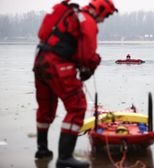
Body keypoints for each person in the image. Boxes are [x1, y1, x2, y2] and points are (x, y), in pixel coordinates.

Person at [33, 0, 118, 167]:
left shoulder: (71, 15)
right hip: (58, 65)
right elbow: (87, 55)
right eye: (106, 16)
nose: (104, 20)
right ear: (100, 10)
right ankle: (64, 157)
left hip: (40, 61)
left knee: (46, 108)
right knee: (77, 106)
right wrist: (91, 66)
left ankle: (42, 149)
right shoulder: (87, 21)